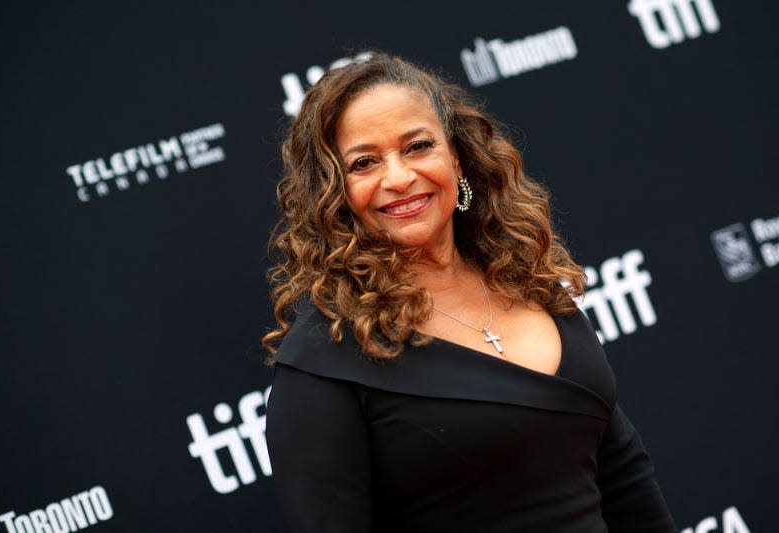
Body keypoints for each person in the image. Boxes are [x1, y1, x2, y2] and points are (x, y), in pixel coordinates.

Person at [263, 52, 677, 533]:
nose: (398, 177)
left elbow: (623, 475)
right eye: (364, 162)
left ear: (455, 157)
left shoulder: (525, 277)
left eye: (417, 147)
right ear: (332, 192)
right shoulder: (322, 363)